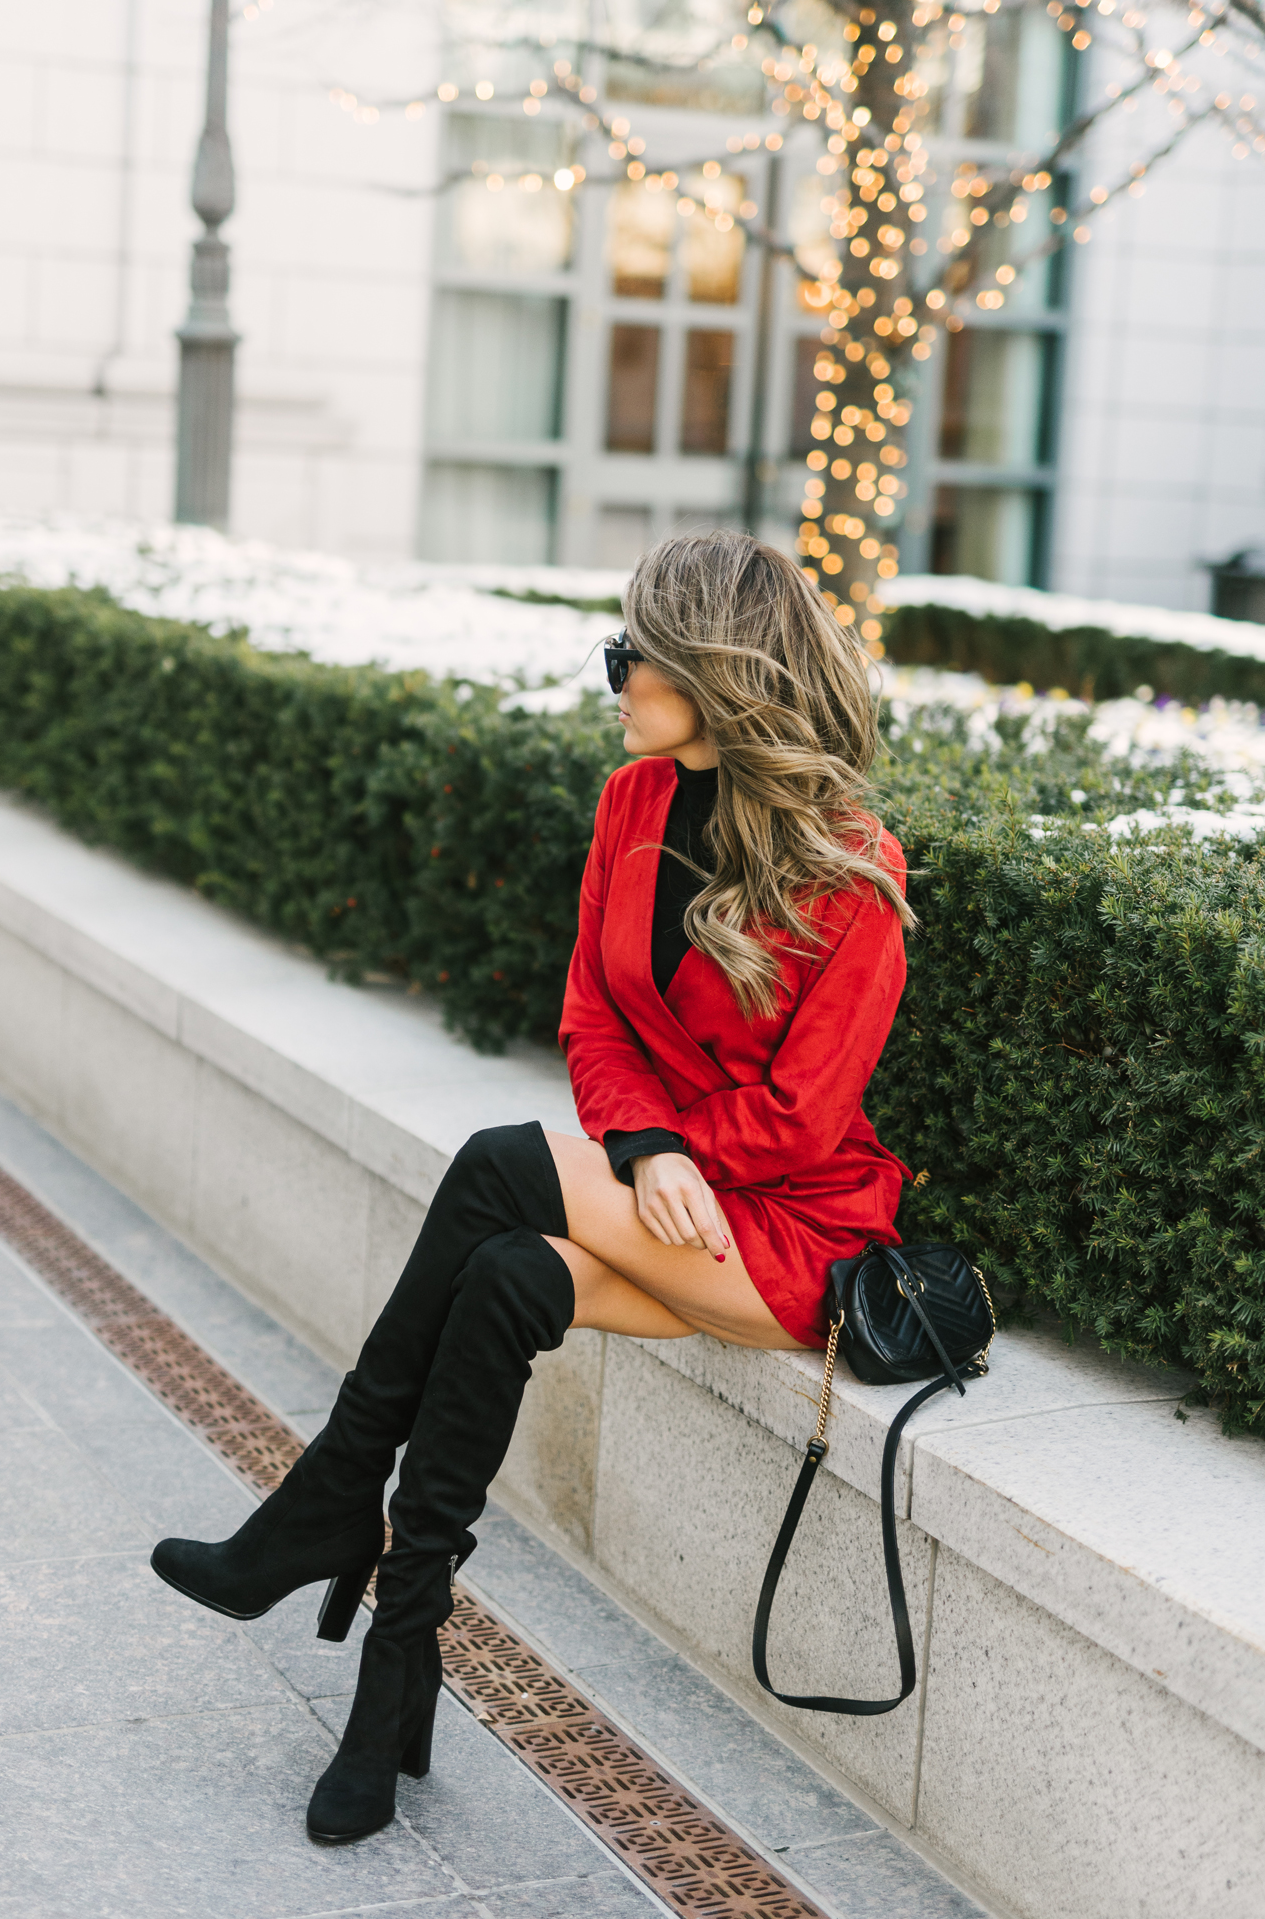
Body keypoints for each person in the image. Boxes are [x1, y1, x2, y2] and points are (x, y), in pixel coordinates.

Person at [150, 530, 915, 1847]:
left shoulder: (853, 866)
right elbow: (591, 1020)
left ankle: (332, 1492)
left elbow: (804, 1116)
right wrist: (641, 1146)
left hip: (784, 1229)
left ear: (716, 676)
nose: (613, 678)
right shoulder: (630, 808)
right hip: (663, 1191)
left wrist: (677, 1153)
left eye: (633, 656)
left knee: (502, 1163)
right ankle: (399, 1671)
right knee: (506, 1277)